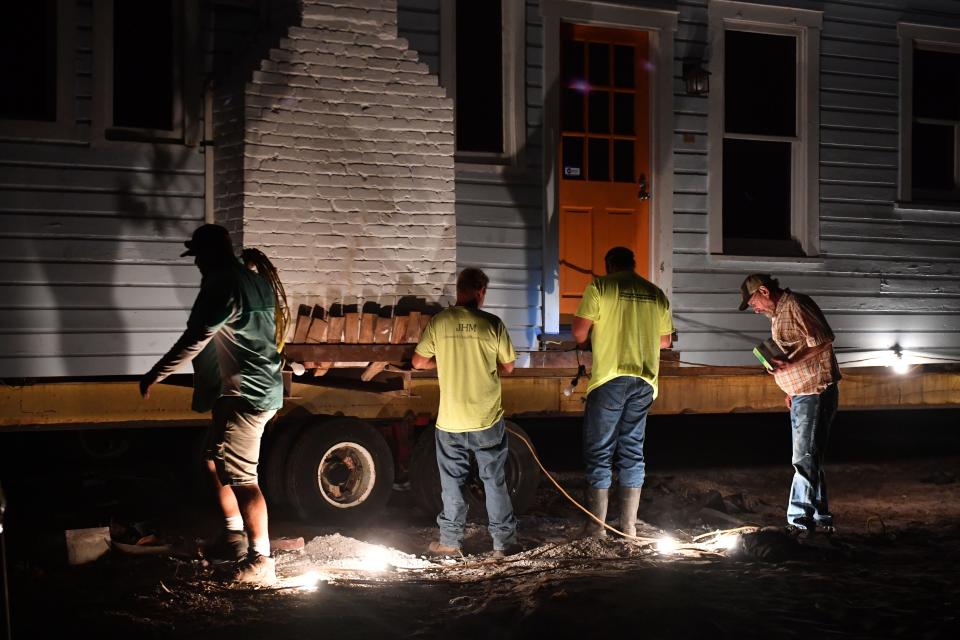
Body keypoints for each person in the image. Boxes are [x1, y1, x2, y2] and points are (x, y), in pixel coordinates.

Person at [140, 224, 284, 584]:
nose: (197, 264)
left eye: (199, 256)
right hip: (246, 390)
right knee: (212, 460)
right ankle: (233, 536)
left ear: (213, 253)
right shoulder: (254, 280)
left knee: (243, 479)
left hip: (246, 394)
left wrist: (157, 372)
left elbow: (197, 336)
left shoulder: (224, 284)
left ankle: (260, 560)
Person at [412, 268, 519, 558]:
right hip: (486, 418)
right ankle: (503, 544)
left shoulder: (440, 322)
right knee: (494, 480)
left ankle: (450, 542)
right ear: (480, 291)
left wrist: (442, 362)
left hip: (451, 421)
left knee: (452, 482)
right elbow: (508, 367)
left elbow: (419, 362)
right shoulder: (492, 324)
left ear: (459, 290)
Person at [572, 247, 673, 538]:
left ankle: (597, 528)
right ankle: (628, 527)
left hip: (609, 378)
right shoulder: (655, 293)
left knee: (600, 451)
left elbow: (579, 332)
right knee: (632, 450)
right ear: (633, 265)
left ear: (609, 266)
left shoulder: (601, 286)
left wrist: (594, 336)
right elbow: (664, 342)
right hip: (644, 381)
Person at [739, 273, 841, 536]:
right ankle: (820, 517)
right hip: (801, 393)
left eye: (753, 303)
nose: (755, 309)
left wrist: (791, 365)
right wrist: (789, 386)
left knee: (804, 458)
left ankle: (798, 521)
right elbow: (797, 348)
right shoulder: (778, 315)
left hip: (814, 391)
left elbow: (823, 339)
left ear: (764, 291)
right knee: (811, 457)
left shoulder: (795, 304)